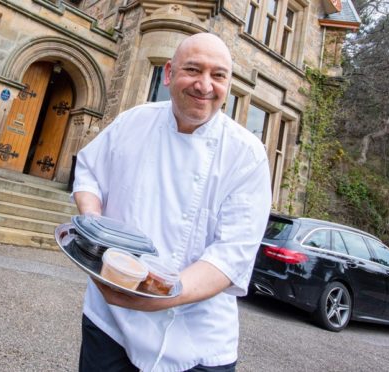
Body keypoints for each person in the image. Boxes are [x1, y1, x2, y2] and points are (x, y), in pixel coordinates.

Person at [72, 32, 272, 372]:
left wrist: (159, 295)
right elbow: (90, 171)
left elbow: (231, 255)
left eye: (218, 75)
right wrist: (95, 228)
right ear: (168, 74)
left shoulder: (247, 155)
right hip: (109, 320)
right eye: (193, 70)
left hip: (196, 339)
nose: (205, 85)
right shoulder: (133, 122)